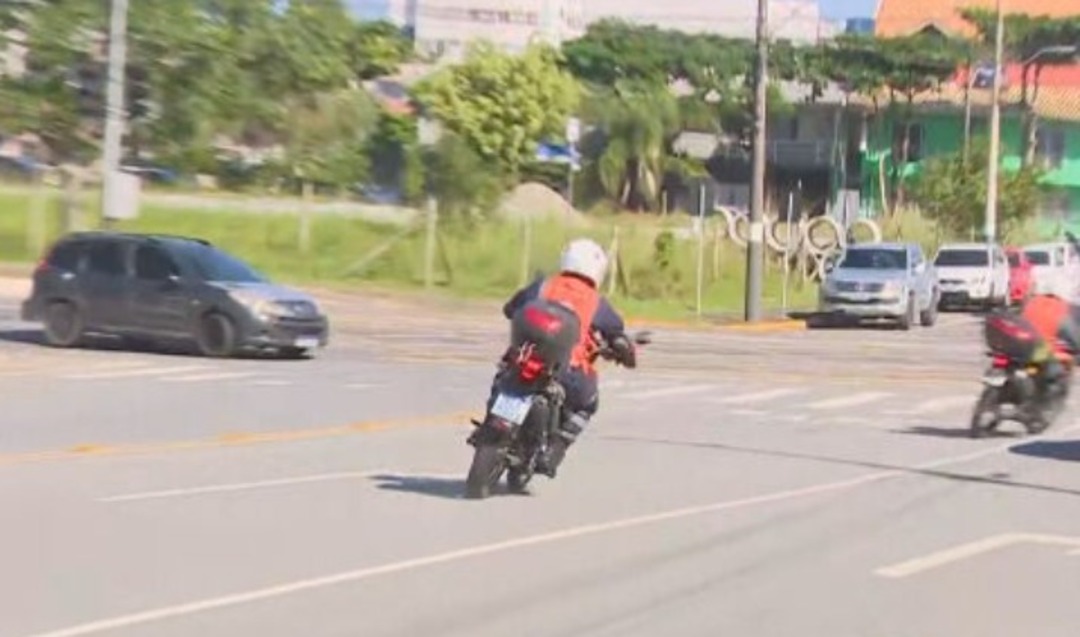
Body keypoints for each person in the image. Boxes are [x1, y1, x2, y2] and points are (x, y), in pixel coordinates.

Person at [496, 238, 635, 475]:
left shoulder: (542, 286)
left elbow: (511, 309)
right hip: (568, 371)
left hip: (523, 360)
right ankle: (555, 450)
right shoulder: (596, 302)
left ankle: (495, 417)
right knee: (588, 404)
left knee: (503, 374)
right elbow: (617, 335)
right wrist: (626, 354)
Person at [1016, 291, 1080, 388]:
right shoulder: (1060, 309)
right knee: (1061, 365)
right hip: (1041, 350)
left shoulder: (1032, 303)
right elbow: (1071, 334)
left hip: (1020, 345)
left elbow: (1020, 320)